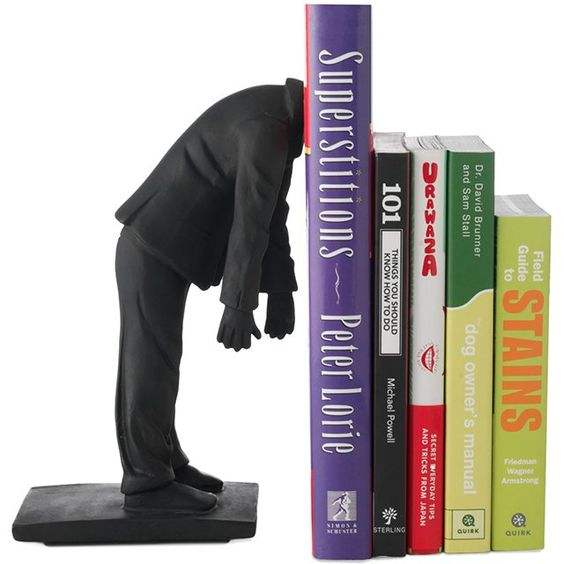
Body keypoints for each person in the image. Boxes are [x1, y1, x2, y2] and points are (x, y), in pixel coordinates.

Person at [114, 79, 303, 513]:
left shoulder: (279, 120)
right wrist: (238, 304)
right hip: (151, 245)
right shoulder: (267, 126)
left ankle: (166, 463)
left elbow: (272, 212)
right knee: (149, 363)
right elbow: (250, 219)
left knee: (163, 362)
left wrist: (280, 291)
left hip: (166, 248)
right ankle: (147, 482)